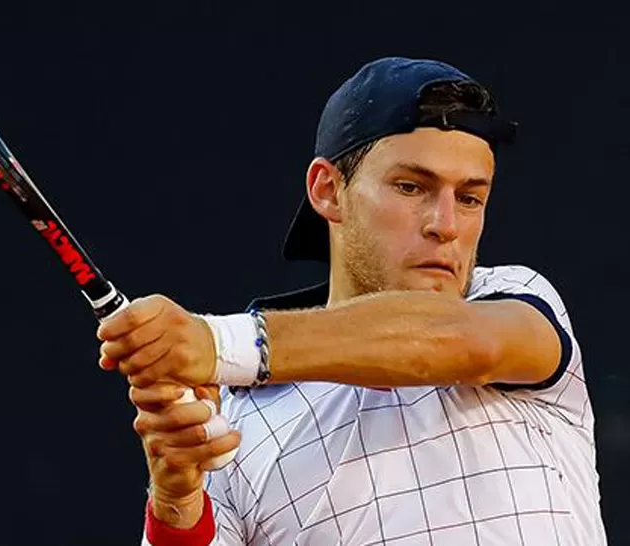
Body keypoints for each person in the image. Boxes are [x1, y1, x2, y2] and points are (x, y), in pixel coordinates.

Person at [97, 57, 607, 545]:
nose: (446, 225)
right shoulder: (232, 419)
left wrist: (218, 341)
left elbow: (447, 339)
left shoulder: (513, 298)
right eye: (411, 187)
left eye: (470, 198)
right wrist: (177, 500)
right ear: (328, 190)